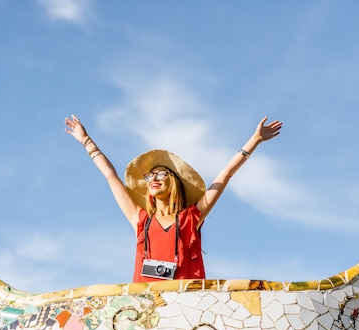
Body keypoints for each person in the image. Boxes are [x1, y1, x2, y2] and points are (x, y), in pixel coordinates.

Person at [64, 114, 282, 282]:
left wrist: (254, 140)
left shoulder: (191, 218)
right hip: (147, 309)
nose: (153, 179)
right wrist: (86, 141)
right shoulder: (140, 220)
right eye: (150, 175)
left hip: (186, 306)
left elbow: (225, 175)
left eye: (161, 174)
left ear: (174, 182)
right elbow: (111, 176)